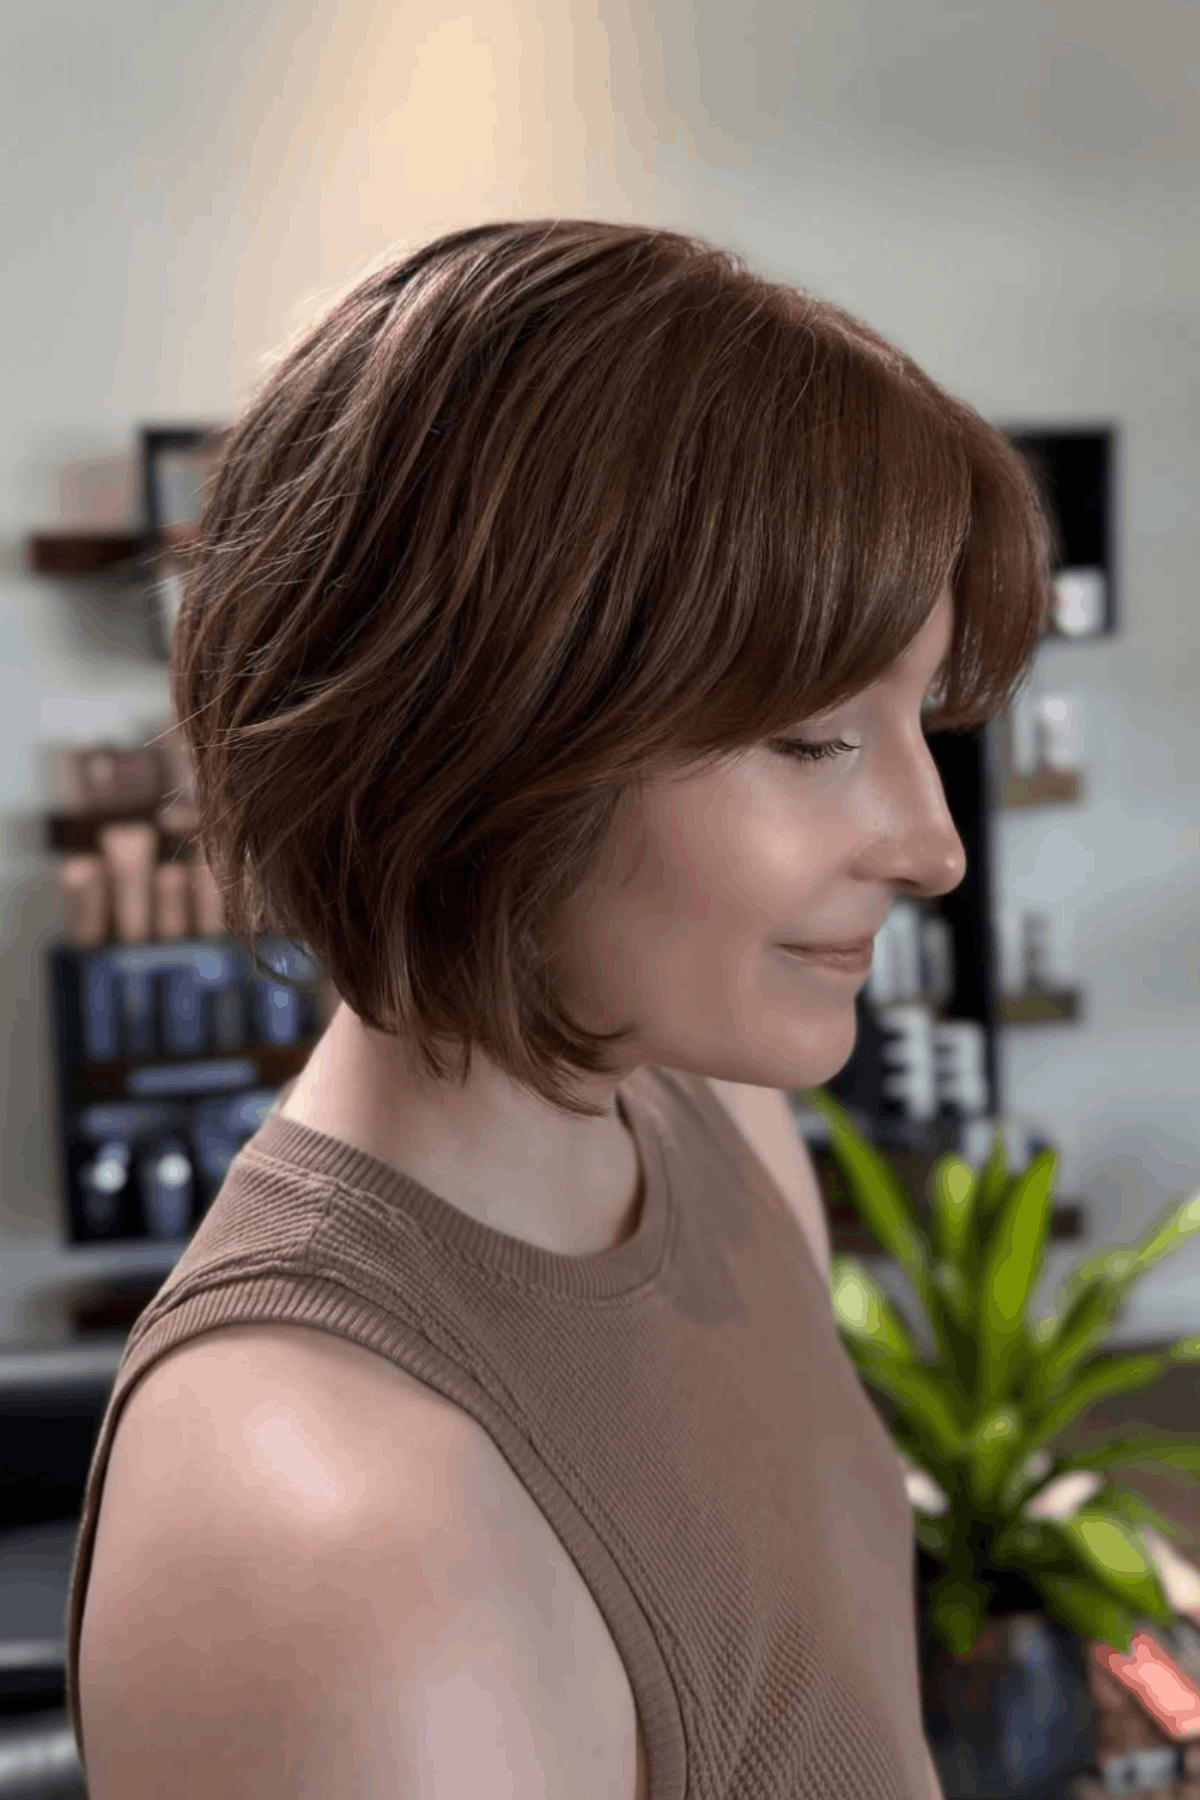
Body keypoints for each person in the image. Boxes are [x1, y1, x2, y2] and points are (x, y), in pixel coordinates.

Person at [67, 217, 1051, 1798]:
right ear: (486, 737)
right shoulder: (344, 1533)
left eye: (914, 720)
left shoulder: (711, 1113)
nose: (931, 846)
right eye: (811, 742)